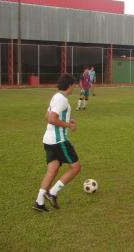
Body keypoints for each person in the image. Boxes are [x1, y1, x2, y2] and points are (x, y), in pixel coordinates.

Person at [33, 74, 81, 212]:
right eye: (74, 85)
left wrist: (66, 120)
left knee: (52, 170)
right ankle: (52, 193)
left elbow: (47, 116)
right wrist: (68, 125)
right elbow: (51, 119)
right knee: (76, 167)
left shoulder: (56, 96)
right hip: (58, 141)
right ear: (70, 85)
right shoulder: (63, 100)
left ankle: (39, 202)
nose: (74, 88)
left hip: (48, 140)